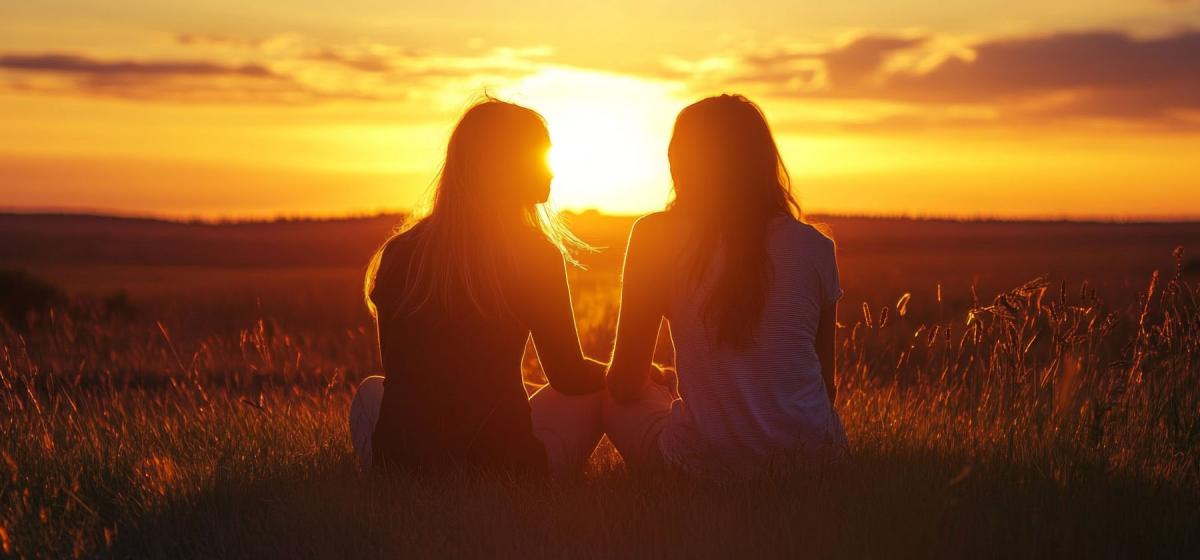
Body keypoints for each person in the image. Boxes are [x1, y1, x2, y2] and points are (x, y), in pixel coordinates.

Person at [349, 98, 606, 478]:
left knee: (374, 389)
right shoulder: (534, 253)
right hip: (503, 465)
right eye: (541, 157)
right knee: (604, 392)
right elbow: (568, 376)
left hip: (404, 462)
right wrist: (635, 372)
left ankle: (389, 467)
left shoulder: (400, 252)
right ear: (506, 167)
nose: (552, 171)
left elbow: (404, 376)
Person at [603, 94, 848, 477]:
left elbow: (624, 387)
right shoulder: (816, 247)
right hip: (815, 462)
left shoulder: (656, 236)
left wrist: (655, 380)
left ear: (681, 162)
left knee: (604, 397)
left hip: (703, 465)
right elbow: (825, 387)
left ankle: (540, 489)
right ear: (763, 161)